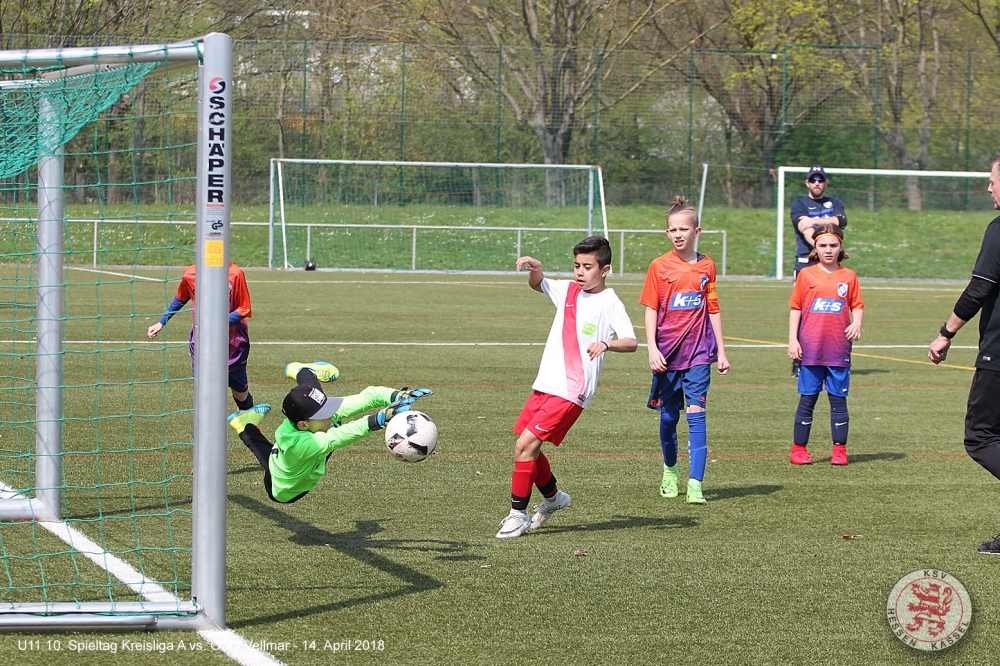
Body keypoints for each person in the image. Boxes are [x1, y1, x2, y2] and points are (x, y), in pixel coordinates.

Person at [496, 236, 637, 539]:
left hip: (573, 390)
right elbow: (538, 284)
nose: (580, 272)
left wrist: (606, 344)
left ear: (605, 270)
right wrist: (536, 269)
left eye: (588, 267)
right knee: (529, 447)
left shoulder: (610, 302)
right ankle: (553, 498)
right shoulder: (569, 290)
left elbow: (631, 341)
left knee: (524, 447)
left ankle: (518, 515)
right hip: (546, 384)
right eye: (576, 266)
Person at [227, 362, 433, 504]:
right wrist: (377, 420)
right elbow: (340, 436)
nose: (330, 413)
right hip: (284, 491)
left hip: (286, 458)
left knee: (314, 395)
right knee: (330, 428)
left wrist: (395, 395)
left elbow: (367, 397)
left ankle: (301, 371)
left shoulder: (308, 421)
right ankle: (245, 424)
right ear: (303, 425)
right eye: (323, 414)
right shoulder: (302, 444)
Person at [928, 156, 1000, 554]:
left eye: (992, 180)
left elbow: (979, 288)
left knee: (980, 438)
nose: (988, 188)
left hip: (998, 356)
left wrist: (946, 333)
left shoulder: (998, 229)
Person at [640, 196, 730, 505]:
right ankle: (670, 470)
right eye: (673, 230)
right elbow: (651, 309)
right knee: (668, 419)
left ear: (697, 231)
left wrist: (722, 351)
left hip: (699, 355)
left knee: (697, 416)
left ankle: (695, 484)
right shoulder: (659, 266)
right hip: (667, 356)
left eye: (684, 229)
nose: (678, 234)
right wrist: (652, 348)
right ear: (667, 233)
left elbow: (713, 308)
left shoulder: (707, 266)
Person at [147, 262, 275, 411]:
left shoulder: (235, 273)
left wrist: (218, 323)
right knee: (204, 391)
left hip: (232, 343)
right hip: (201, 341)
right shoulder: (190, 274)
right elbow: (181, 297)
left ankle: (248, 418)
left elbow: (244, 308)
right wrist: (161, 321)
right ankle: (205, 425)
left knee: (241, 395)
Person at [787, 223, 864, 466]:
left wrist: (857, 323)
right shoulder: (806, 275)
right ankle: (799, 449)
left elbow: (857, 305)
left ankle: (839, 451)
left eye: (833, 245)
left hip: (838, 349)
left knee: (838, 400)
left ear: (841, 247)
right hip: (810, 349)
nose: (828, 250)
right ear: (815, 248)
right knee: (807, 399)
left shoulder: (849, 276)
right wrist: (792, 340)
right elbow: (796, 308)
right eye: (823, 245)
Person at [790, 165, 848, 377]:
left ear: (825, 183)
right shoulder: (799, 204)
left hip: (831, 265)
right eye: (813, 180)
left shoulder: (835, 202)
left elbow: (841, 221)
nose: (817, 183)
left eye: (820, 180)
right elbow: (804, 228)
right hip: (805, 263)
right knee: (803, 311)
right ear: (807, 183)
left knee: (831, 311)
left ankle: (831, 357)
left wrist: (814, 220)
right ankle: (799, 358)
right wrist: (819, 247)